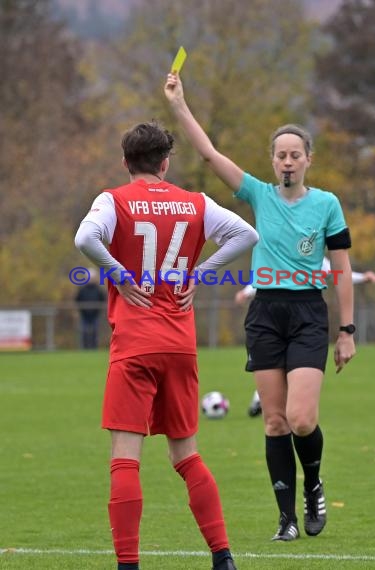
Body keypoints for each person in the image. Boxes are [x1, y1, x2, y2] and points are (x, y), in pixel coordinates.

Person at [164, 72, 356, 542]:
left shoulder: (328, 204)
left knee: (301, 419)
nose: (287, 161)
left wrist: (346, 330)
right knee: (273, 421)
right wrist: (179, 106)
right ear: (272, 161)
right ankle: (287, 519)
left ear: (308, 160)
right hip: (266, 313)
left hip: (310, 314)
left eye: (295, 154)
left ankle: (313, 485)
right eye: (281, 154)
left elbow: (343, 269)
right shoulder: (258, 194)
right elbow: (209, 155)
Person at [74, 120, 258, 570]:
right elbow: (247, 234)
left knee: (125, 461)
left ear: (125, 162)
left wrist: (117, 274)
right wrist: (201, 273)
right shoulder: (194, 202)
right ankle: (223, 556)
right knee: (187, 455)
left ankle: (128, 565)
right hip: (180, 342)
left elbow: (85, 238)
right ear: (165, 162)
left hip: (135, 344)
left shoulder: (112, 199)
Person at [235, 259, 375, 417]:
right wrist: (247, 291)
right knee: (277, 371)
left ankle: (270, 403)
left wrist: (362, 277)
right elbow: (265, 274)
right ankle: (262, 400)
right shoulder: (274, 248)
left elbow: (338, 272)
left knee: (291, 371)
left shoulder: (312, 251)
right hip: (271, 320)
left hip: (305, 320)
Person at [75, 267, 106, 349]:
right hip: (84, 315)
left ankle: (94, 347)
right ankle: (84, 348)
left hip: (95, 314)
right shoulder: (82, 289)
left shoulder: (98, 289)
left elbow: (102, 299)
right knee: (84, 332)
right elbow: (77, 300)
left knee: (95, 332)